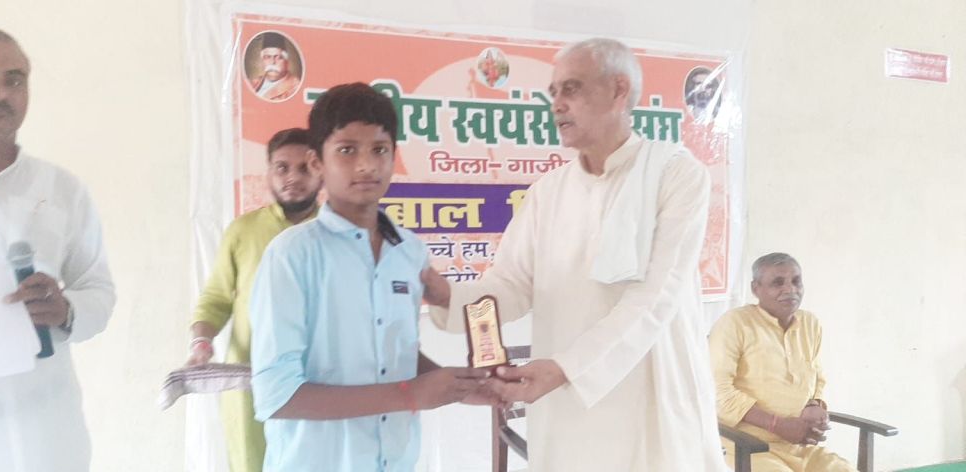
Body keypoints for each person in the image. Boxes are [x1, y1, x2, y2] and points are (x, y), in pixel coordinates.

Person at [422, 38, 729, 470]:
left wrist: (565, 369)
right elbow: (509, 286)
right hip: (569, 407)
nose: (557, 105)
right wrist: (444, 296)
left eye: (571, 89)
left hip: (650, 403)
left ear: (619, 90)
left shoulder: (675, 174)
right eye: (554, 93)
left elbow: (656, 296)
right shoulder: (548, 192)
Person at [248, 82, 493, 471]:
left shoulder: (408, 251)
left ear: (394, 155)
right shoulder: (292, 255)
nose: (366, 165)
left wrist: (465, 388)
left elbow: (394, 351)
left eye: (379, 150)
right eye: (347, 150)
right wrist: (409, 395)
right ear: (317, 162)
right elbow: (277, 395)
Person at [0, 27, 115, 471]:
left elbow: (98, 291)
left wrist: (66, 310)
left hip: (45, 434)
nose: (0, 92)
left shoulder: (61, 190)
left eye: (15, 79)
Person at [186, 128, 322, 472]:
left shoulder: (337, 232)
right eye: (282, 167)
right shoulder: (243, 230)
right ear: (268, 173)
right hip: (252, 382)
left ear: (321, 170)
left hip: (321, 383)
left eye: (305, 168)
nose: (293, 178)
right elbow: (216, 298)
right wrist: (201, 343)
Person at [710, 253, 853, 471]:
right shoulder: (735, 323)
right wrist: (777, 425)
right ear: (756, 288)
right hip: (744, 447)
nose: (790, 289)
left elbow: (817, 377)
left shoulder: (810, 324)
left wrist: (814, 404)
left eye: (796, 281)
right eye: (778, 283)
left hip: (799, 445)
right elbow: (717, 392)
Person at [249, 32, 299, 101]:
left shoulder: (295, 87)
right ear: (262, 61)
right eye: (267, 57)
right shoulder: (252, 83)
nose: (272, 62)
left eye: (278, 57)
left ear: (286, 62)